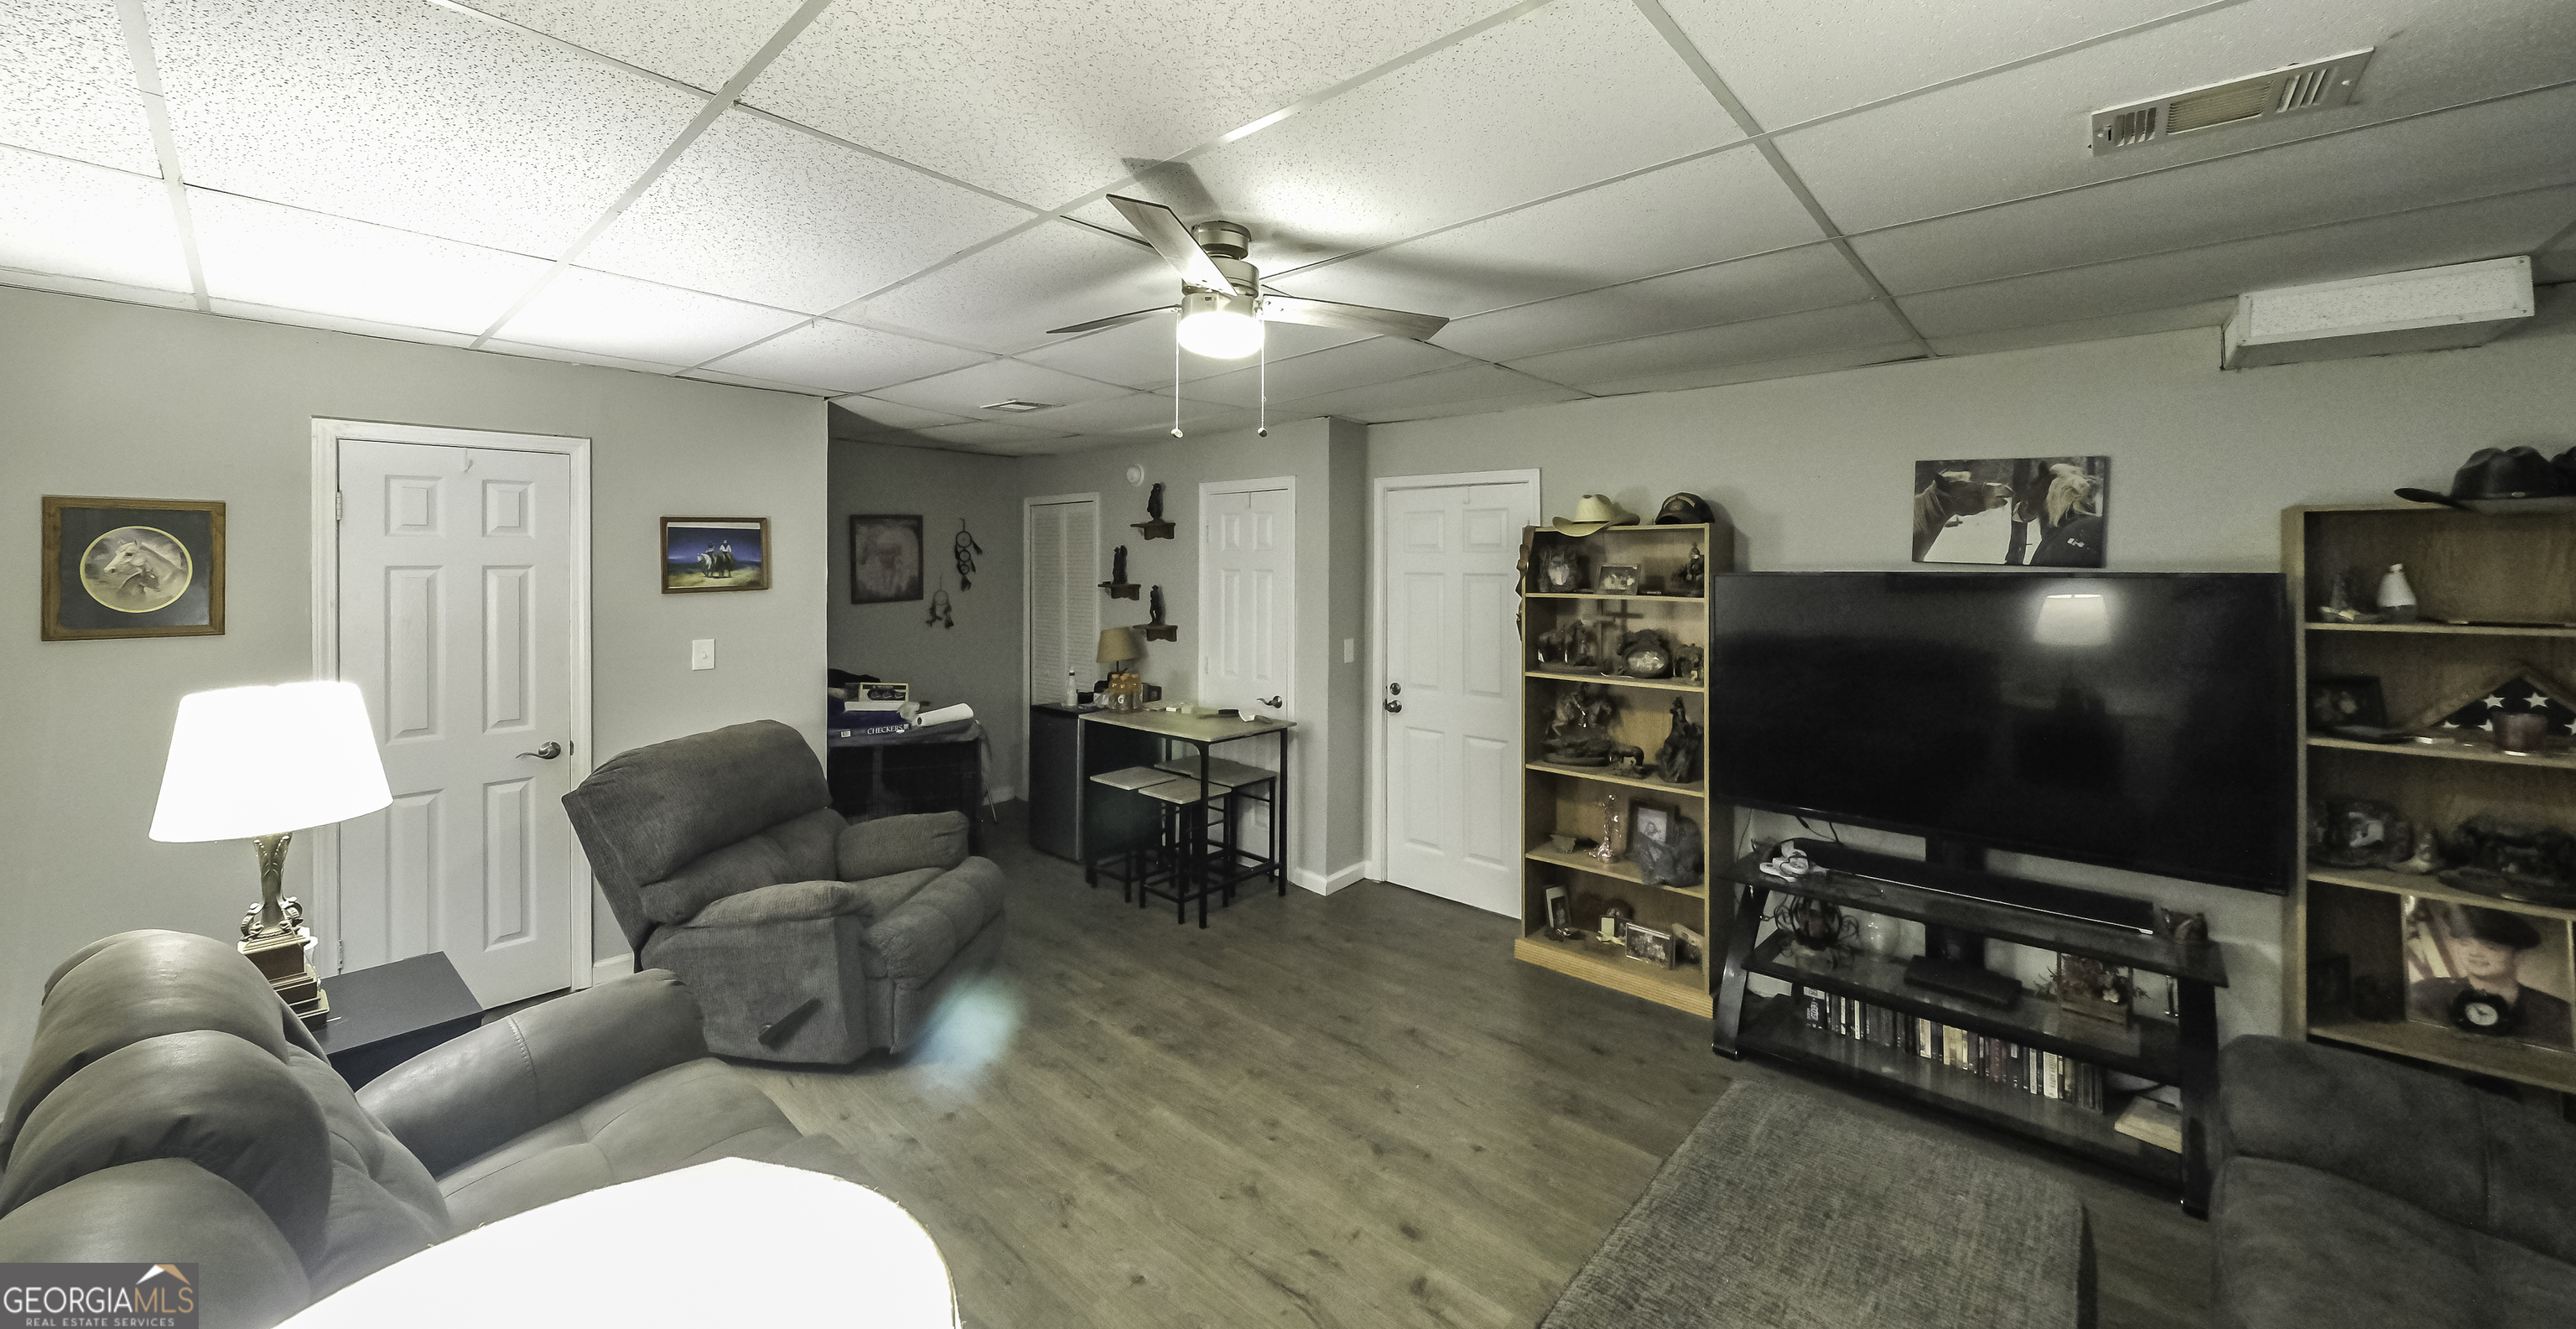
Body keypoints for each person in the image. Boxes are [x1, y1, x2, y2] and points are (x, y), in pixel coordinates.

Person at [2407, 902, 2573, 1046]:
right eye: (2465, 943)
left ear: (2517, 956)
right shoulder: (2427, 995)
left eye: (2490, 946)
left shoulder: (2557, 1012)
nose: (2474, 953)